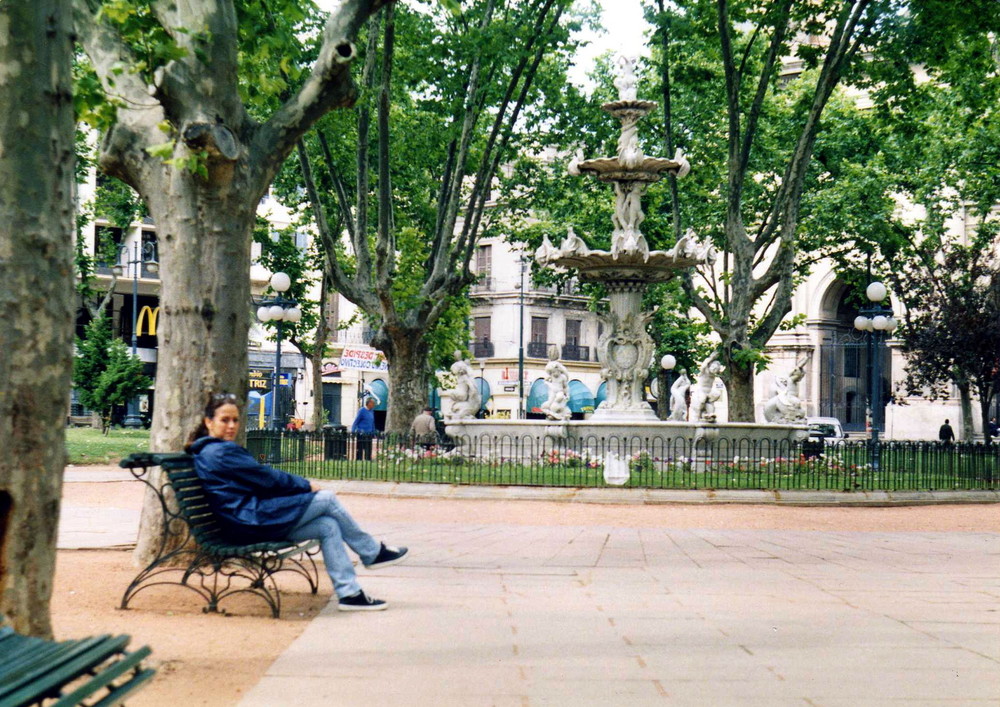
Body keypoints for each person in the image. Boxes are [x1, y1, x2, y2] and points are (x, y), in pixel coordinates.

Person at [186, 393, 407, 611]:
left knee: (327, 526)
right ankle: (372, 552)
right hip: (249, 521)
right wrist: (304, 485)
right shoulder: (219, 452)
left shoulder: (212, 450)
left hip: (248, 519)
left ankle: (349, 594)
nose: (231, 426)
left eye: (235, 419)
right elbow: (266, 477)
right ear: (209, 422)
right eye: (224, 420)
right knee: (327, 499)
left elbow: (258, 481)